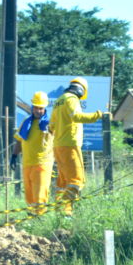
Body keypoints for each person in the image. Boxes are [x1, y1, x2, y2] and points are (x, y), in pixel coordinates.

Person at [51, 76, 103, 214]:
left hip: (58, 146)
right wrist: (98, 115)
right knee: (77, 180)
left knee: (63, 181)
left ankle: (58, 211)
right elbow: (77, 116)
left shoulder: (59, 101)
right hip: (70, 145)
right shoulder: (72, 99)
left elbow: (51, 125)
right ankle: (67, 212)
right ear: (81, 90)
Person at [14, 91, 53, 215]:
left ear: (45, 108)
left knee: (40, 194)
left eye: (41, 108)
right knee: (29, 195)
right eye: (36, 107)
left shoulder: (50, 124)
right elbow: (19, 140)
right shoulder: (26, 123)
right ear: (32, 107)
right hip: (27, 164)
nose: (38, 110)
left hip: (42, 164)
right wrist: (14, 156)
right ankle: (31, 218)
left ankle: (40, 218)